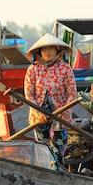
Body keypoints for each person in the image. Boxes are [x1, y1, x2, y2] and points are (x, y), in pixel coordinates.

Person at [24, 33, 77, 172]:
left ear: (57, 51)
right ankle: (44, 175)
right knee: (42, 149)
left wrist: (63, 112)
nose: (48, 52)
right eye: (44, 49)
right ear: (39, 52)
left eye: (51, 48)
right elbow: (29, 95)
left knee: (58, 149)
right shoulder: (33, 69)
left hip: (60, 115)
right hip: (39, 116)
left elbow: (72, 94)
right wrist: (38, 113)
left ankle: (58, 174)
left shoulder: (65, 69)